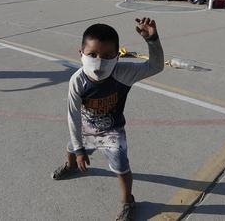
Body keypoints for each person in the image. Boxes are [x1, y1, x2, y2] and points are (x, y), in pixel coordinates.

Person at [51, 18, 164, 221]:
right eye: (92, 54)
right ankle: (71, 166)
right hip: (86, 128)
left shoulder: (123, 73)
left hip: (112, 131)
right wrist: (78, 150)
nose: (99, 62)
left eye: (108, 56)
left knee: (122, 168)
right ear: (81, 54)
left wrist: (153, 40)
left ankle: (128, 201)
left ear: (118, 57)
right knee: (71, 149)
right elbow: (73, 115)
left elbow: (156, 66)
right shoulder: (77, 80)